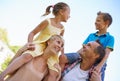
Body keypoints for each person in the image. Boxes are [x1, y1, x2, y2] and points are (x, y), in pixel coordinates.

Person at [1, 2, 70, 81]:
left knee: (54, 72)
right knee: (27, 56)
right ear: (61, 12)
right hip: (40, 45)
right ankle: (3, 74)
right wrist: (30, 44)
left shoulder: (62, 28)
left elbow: (61, 42)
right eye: (68, 13)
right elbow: (32, 33)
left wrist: (62, 55)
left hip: (51, 51)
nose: (69, 16)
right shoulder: (48, 21)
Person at [60, 11, 114, 81]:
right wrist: (74, 56)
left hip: (100, 61)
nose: (95, 22)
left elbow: (106, 54)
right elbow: (83, 48)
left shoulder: (110, 38)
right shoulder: (91, 35)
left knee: (97, 74)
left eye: (98, 20)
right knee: (63, 57)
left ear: (106, 22)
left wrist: (99, 66)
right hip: (85, 55)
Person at [0, 35, 64, 81]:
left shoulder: (48, 69)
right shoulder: (31, 54)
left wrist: (58, 76)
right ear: (49, 42)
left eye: (61, 46)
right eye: (58, 42)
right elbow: (9, 69)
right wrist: (20, 51)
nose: (59, 46)